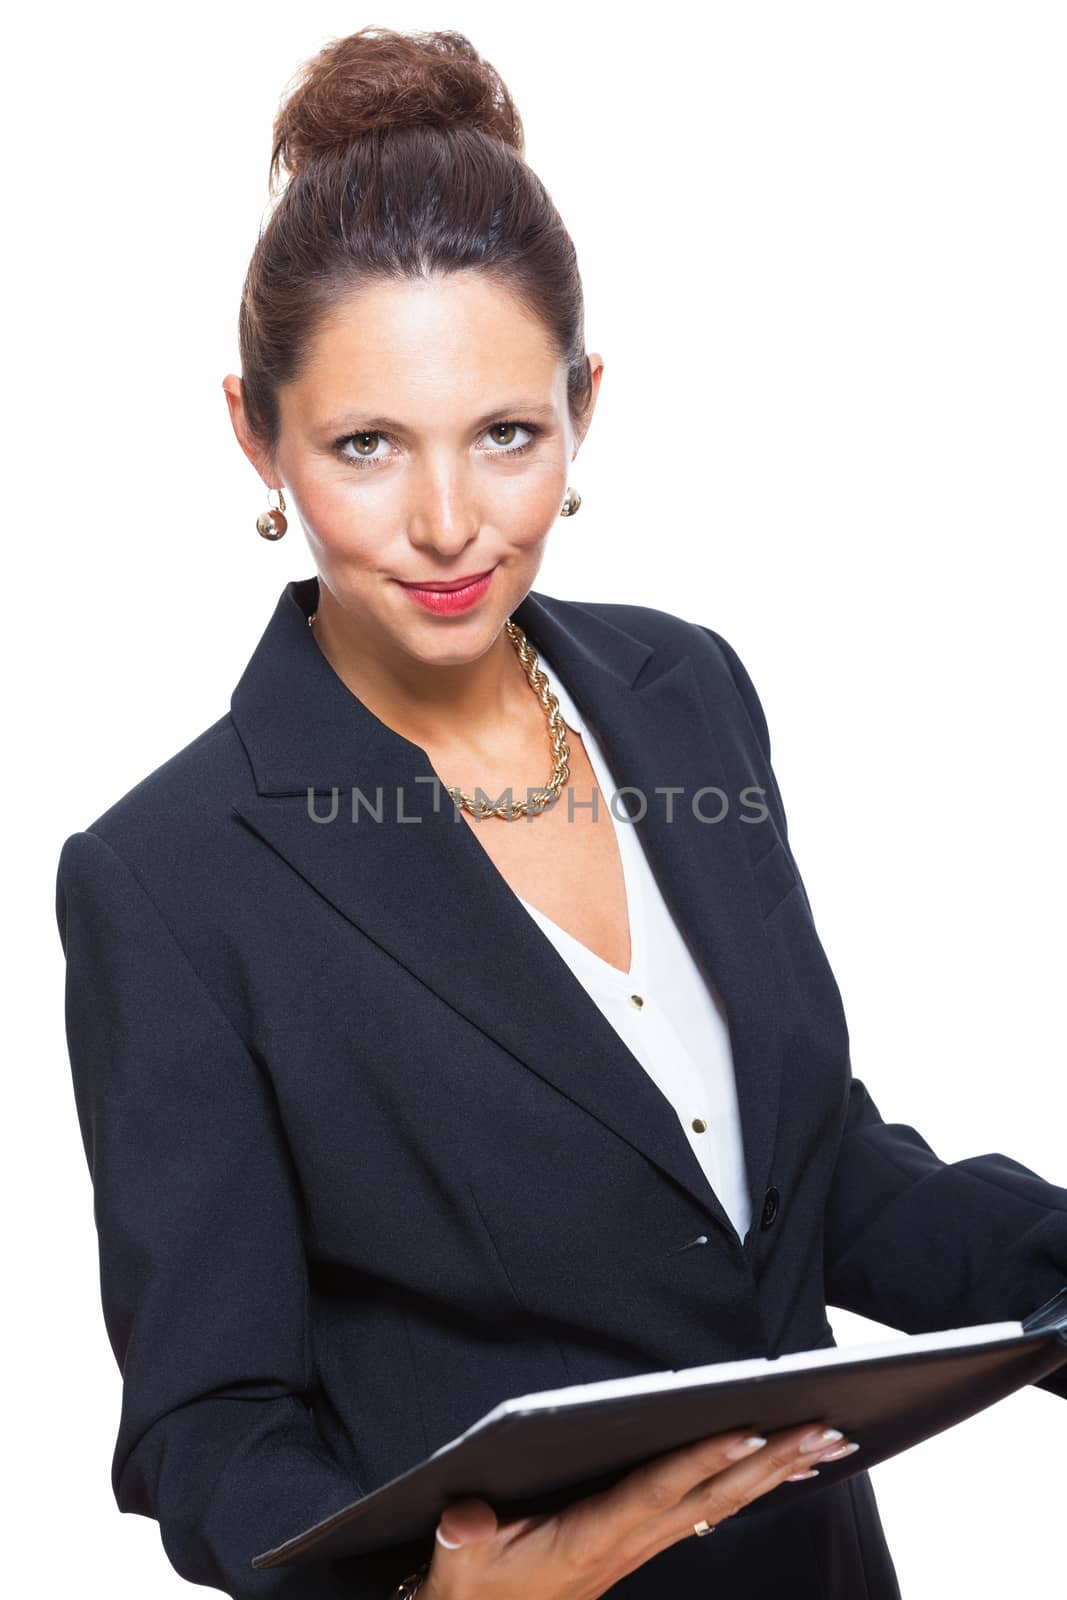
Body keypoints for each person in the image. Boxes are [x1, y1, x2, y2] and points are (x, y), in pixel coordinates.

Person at [54, 25, 1067, 1600]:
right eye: (367, 445)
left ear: (584, 408)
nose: (451, 522)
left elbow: (798, 1168)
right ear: (256, 436)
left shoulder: (686, 692)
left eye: (507, 434)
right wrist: (428, 1592)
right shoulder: (171, 884)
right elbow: (208, 1426)